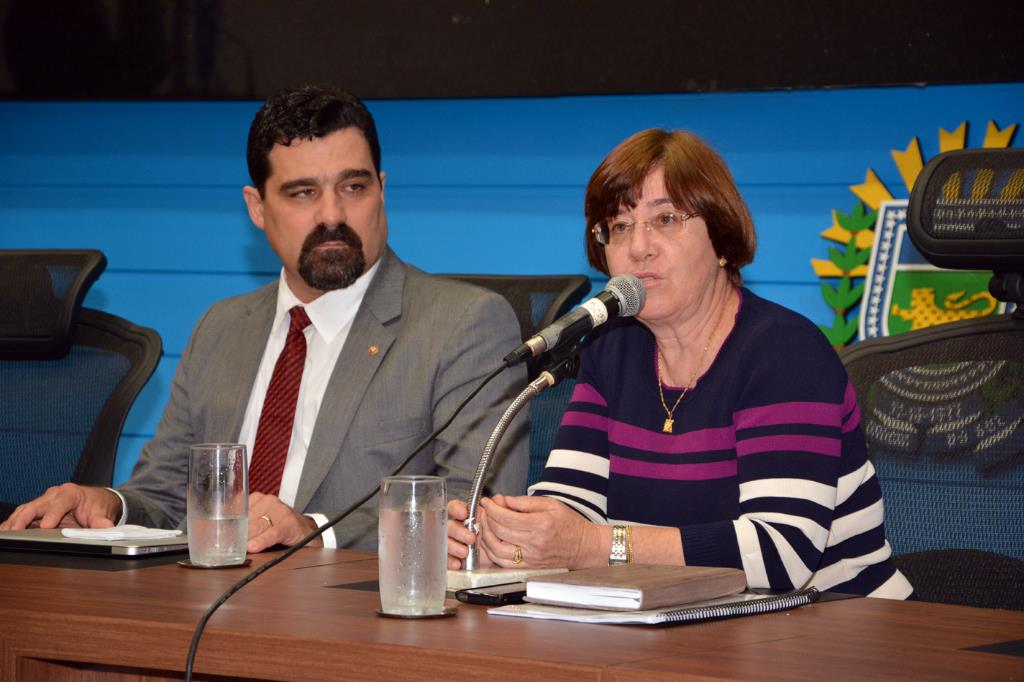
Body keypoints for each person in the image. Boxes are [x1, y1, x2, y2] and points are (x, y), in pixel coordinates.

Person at [2, 85, 528, 551]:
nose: (332, 215)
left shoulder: (464, 325)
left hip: (356, 619)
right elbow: (165, 496)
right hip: (208, 608)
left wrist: (313, 530)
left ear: (382, 189)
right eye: (303, 193)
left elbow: (476, 510)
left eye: (354, 187)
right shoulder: (223, 327)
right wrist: (108, 505)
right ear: (256, 208)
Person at [447, 129, 913, 599]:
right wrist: (507, 540)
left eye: (665, 219)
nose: (639, 247)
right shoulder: (612, 348)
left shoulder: (785, 353)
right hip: (696, 627)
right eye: (620, 226)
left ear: (722, 239)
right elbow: (572, 508)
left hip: (844, 630)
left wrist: (594, 546)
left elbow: (780, 554)